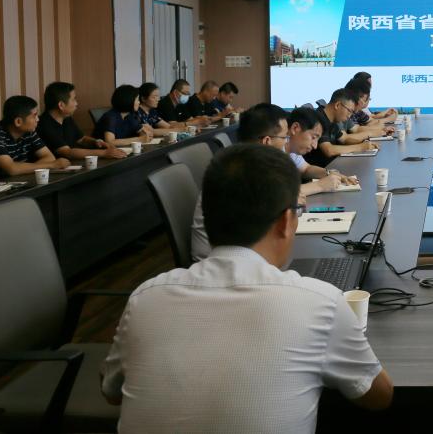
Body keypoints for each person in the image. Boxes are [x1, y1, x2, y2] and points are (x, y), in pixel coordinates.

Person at [103, 144, 394, 431]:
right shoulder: (321, 303)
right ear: (286, 221)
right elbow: (380, 396)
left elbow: (112, 391)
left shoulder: (144, 298)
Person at [190, 104, 353, 261]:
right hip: (219, 262)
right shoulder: (242, 171)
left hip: (235, 253)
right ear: (267, 141)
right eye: (284, 137)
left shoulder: (245, 161)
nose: (286, 142)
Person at [0, 95, 71, 181]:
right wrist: (52, 165)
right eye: (34, 116)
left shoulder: (28, 132)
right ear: (18, 122)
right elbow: (12, 169)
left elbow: (49, 157)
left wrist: (23, 169)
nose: (38, 119)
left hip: (14, 183)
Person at [37, 81, 125, 160]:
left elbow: (81, 139)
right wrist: (104, 153)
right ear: (61, 105)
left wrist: (96, 142)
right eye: (74, 99)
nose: (77, 103)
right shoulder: (44, 124)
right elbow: (66, 152)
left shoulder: (66, 118)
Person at [304, 88, 378, 168]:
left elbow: (344, 139)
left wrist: (365, 143)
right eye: (349, 111)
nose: (349, 116)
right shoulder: (319, 120)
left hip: (333, 166)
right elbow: (329, 150)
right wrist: (360, 147)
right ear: (337, 105)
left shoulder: (333, 121)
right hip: (321, 170)